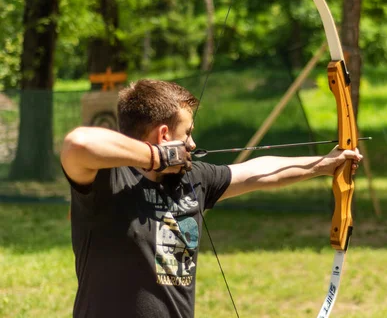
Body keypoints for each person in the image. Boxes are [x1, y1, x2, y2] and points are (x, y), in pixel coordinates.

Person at [60, 79, 361, 318]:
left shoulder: (193, 179)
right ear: (164, 135)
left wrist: (323, 165)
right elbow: (78, 144)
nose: (192, 143)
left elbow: (258, 172)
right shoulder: (107, 181)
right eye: (187, 133)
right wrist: (157, 158)